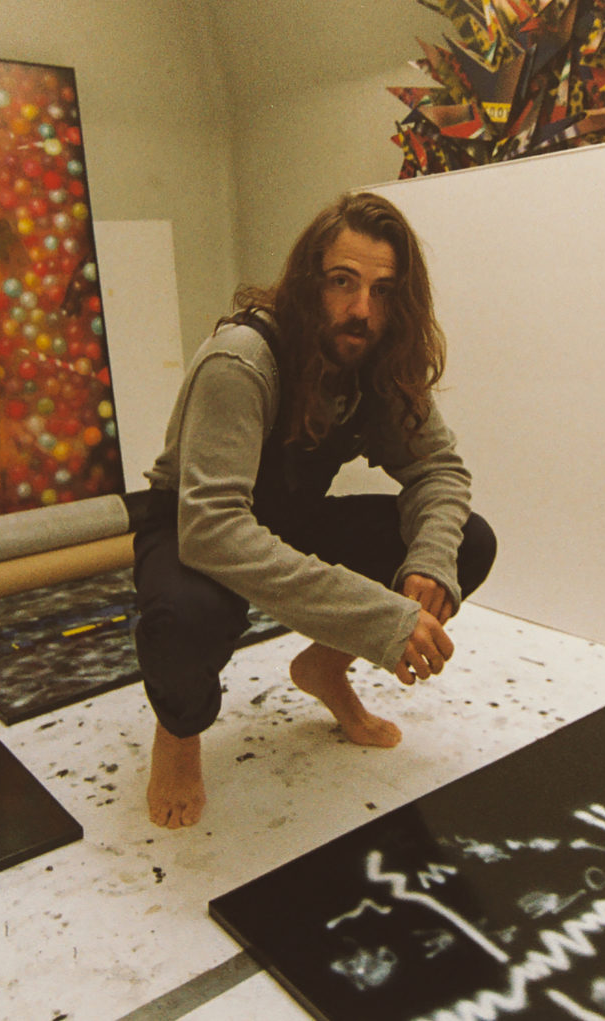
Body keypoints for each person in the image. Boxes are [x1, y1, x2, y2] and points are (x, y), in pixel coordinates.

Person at [134, 191, 496, 829]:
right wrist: (377, 618)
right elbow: (215, 530)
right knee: (189, 615)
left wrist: (431, 561)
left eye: (384, 291)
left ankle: (324, 667)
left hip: (288, 515)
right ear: (309, 282)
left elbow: (437, 469)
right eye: (342, 282)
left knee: (467, 541)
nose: (362, 310)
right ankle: (179, 732)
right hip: (195, 525)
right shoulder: (240, 360)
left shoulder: (377, 360)